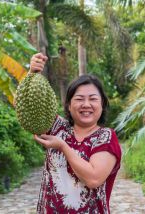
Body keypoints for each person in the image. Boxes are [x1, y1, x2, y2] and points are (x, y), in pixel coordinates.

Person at [30, 53, 122, 214]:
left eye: (93, 99)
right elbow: (27, 105)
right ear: (69, 105)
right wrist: (32, 73)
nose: (86, 104)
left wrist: (63, 147)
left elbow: (93, 178)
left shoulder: (105, 137)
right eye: (79, 99)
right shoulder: (58, 128)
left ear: (102, 104)